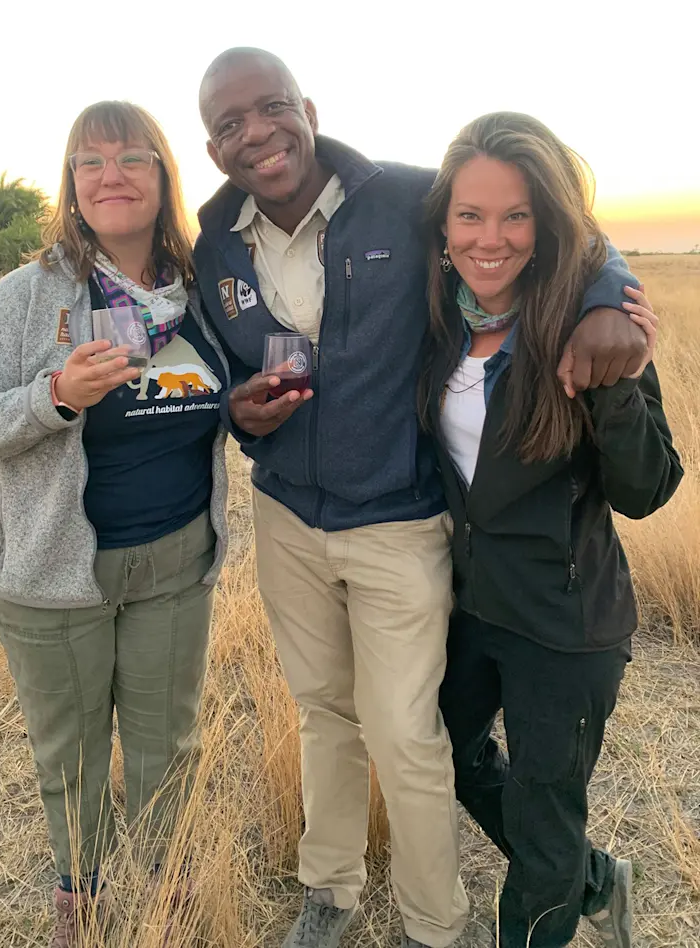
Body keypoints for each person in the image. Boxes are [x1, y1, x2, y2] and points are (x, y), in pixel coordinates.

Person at [194, 48, 650, 948]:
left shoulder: (405, 196)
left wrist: (604, 298)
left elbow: (544, 224)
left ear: (307, 108)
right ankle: (329, 893)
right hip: (285, 514)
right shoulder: (212, 243)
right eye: (229, 124)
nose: (258, 132)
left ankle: (434, 927)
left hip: (399, 523)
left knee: (406, 734)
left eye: (272, 107)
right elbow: (221, 374)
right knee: (324, 711)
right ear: (214, 149)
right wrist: (239, 416)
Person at [0, 101, 230, 948]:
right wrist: (54, 396)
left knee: (168, 745)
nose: (112, 176)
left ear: (165, 175)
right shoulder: (28, 297)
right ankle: (85, 902)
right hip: (53, 570)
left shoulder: (203, 294)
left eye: (133, 158)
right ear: (71, 183)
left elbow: (212, 399)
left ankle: (168, 895)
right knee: (72, 758)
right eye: (90, 162)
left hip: (175, 560)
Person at [419, 112, 683, 948]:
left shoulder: (590, 323)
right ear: (445, 223)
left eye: (516, 215)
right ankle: (593, 876)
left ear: (548, 223)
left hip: (566, 626)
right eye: (470, 215)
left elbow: (646, 490)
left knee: (541, 819)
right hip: (472, 607)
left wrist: (617, 377)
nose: (489, 238)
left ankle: (553, 893)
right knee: (446, 759)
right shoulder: (438, 320)